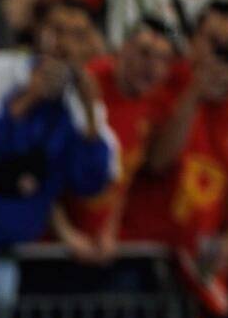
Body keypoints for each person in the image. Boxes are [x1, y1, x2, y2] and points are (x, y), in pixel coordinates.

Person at [0, 0, 119, 318]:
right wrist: (28, 99)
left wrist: (89, 113)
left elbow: (91, 181)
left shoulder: (81, 98)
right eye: (58, 31)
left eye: (78, 35)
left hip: (15, 250)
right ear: (38, 31)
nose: (66, 44)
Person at [125, 2, 228, 294]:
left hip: (202, 262)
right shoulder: (164, 82)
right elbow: (157, 161)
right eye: (213, 41)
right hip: (147, 255)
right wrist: (194, 95)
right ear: (192, 44)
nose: (223, 52)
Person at [63, 14, 182, 266]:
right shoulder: (87, 84)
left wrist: (109, 229)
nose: (151, 66)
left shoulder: (158, 104)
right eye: (144, 53)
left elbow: (125, 176)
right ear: (122, 48)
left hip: (102, 248)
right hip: (52, 246)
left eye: (162, 59)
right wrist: (66, 235)